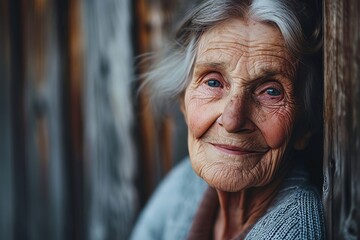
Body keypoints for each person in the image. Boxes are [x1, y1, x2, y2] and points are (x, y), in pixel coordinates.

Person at [131, 0, 325, 239]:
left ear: (306, 124)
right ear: (183, 99)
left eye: (271, 91)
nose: (232, 120)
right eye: (213, 82)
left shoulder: (296, 230)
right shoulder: (185, 186)